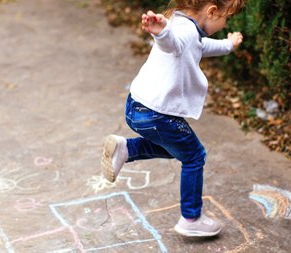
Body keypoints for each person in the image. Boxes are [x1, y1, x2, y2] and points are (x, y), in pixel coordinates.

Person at [100, 0, 244, 237]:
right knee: (194, 156)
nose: (226, 23)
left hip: (137, 107)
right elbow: (173, 43)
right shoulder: (182, 30)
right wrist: (162, 32)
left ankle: (125, 149)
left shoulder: (186, 26)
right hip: (156, 114)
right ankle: (191, 218)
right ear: (212, 11)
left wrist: (228, 45)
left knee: (177, 148)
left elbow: (201, 46)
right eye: (226, 17)